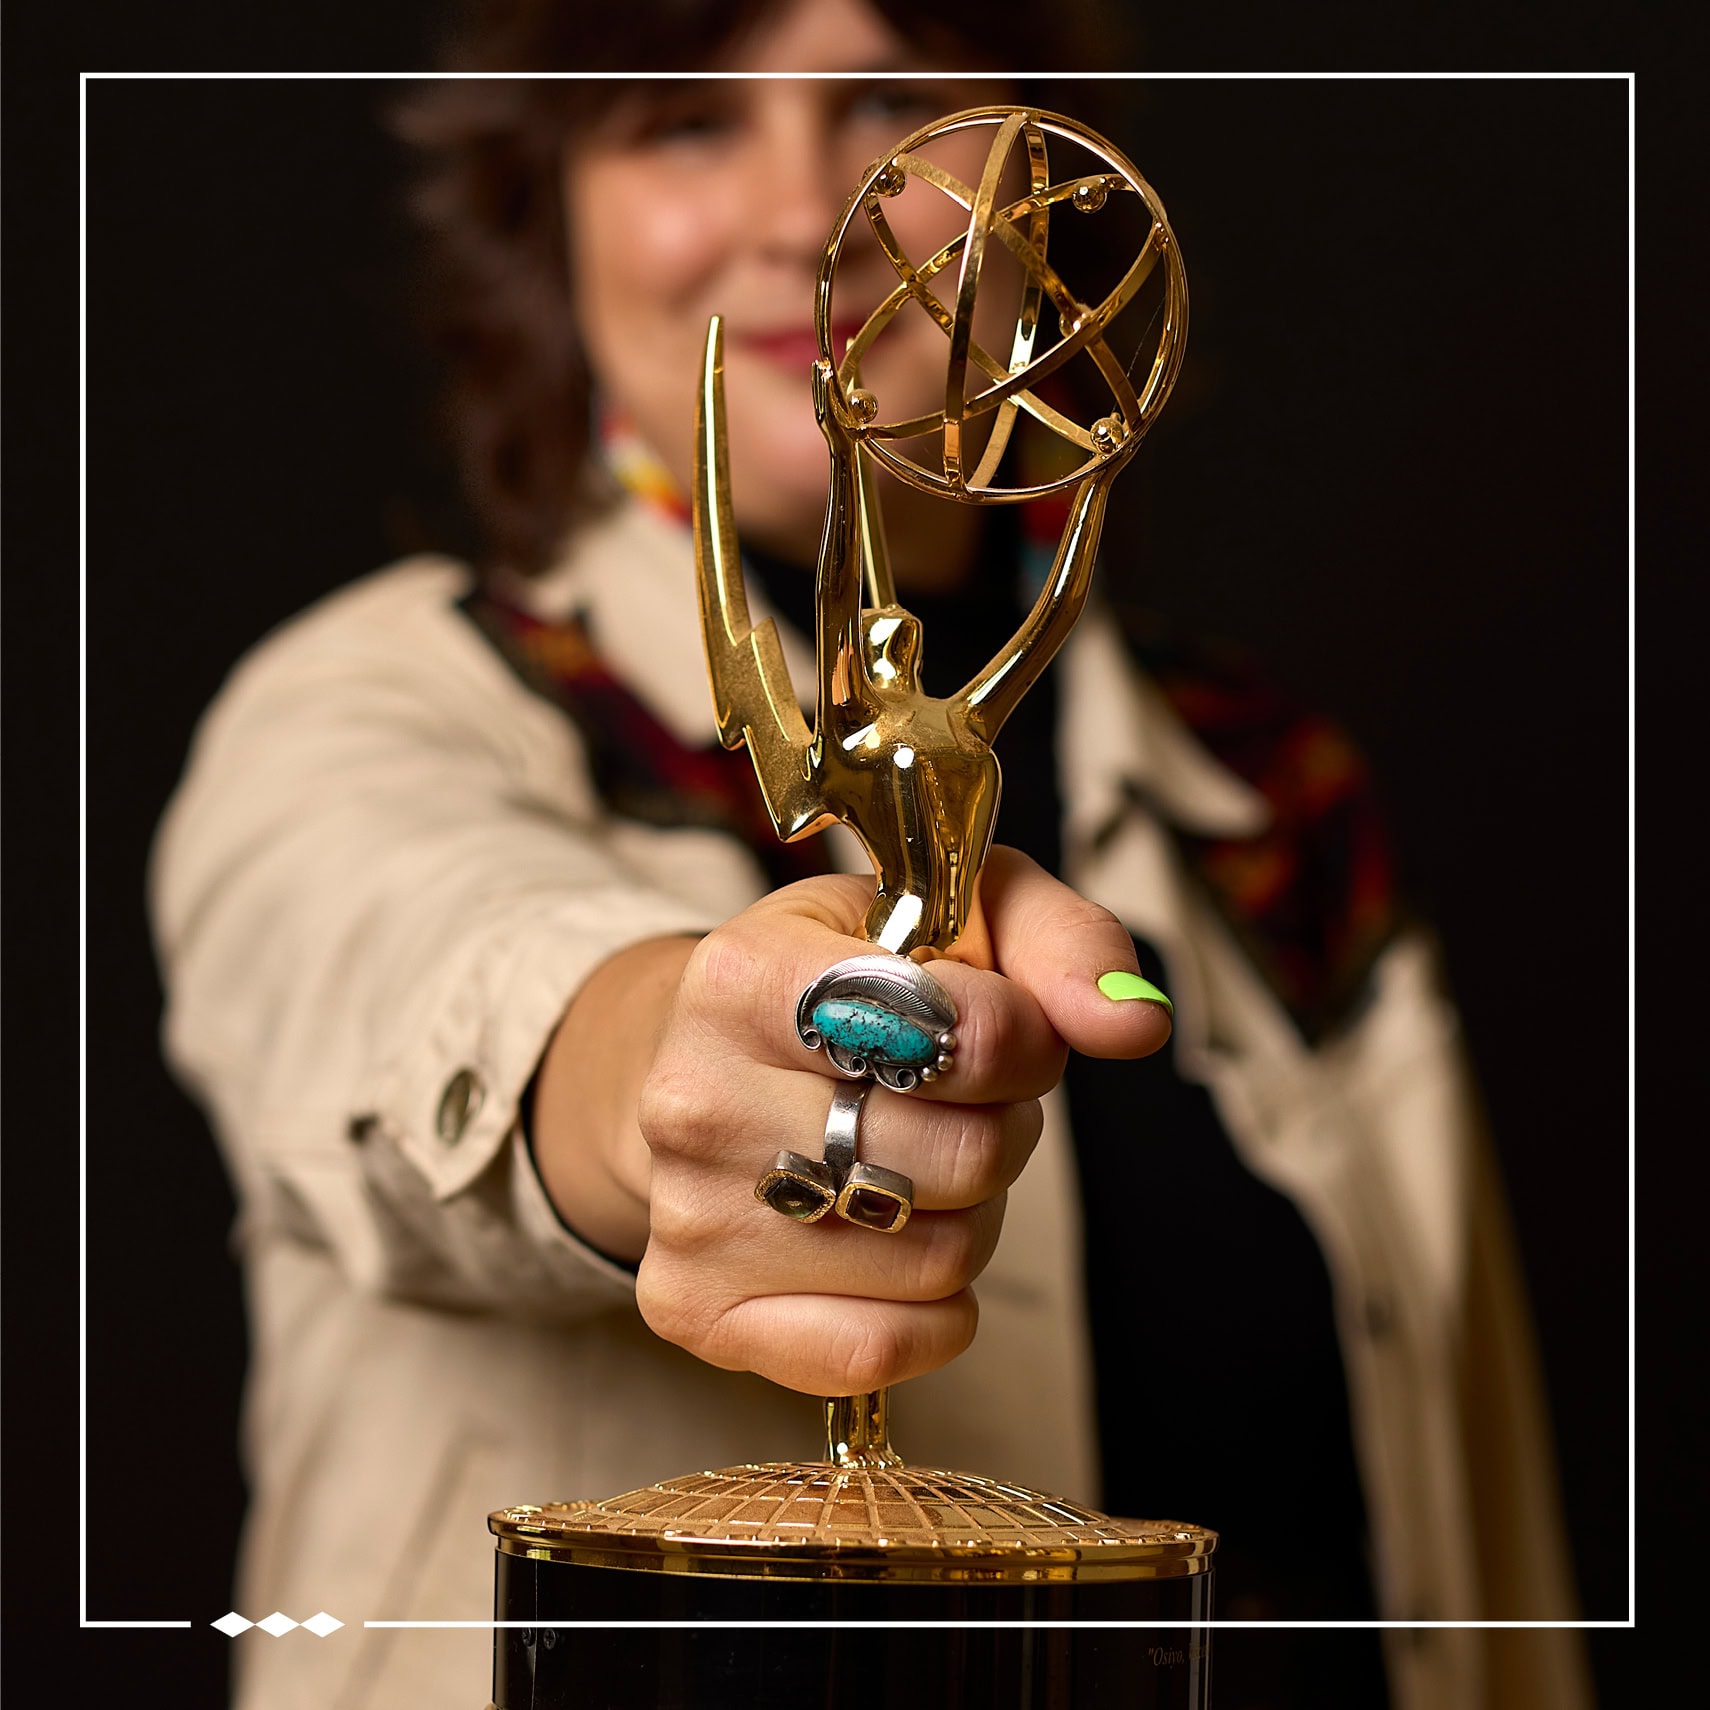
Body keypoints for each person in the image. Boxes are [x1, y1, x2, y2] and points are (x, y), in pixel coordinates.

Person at [148, 2, 1591, 1706]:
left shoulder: (1268, 802)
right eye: (683, 121)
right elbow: (431, 973)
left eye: (884, 103)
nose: (790, 211)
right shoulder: (379, 708)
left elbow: (1478, 1564)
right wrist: (666, 1077)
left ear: (1036, 181)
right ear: (550, 212)